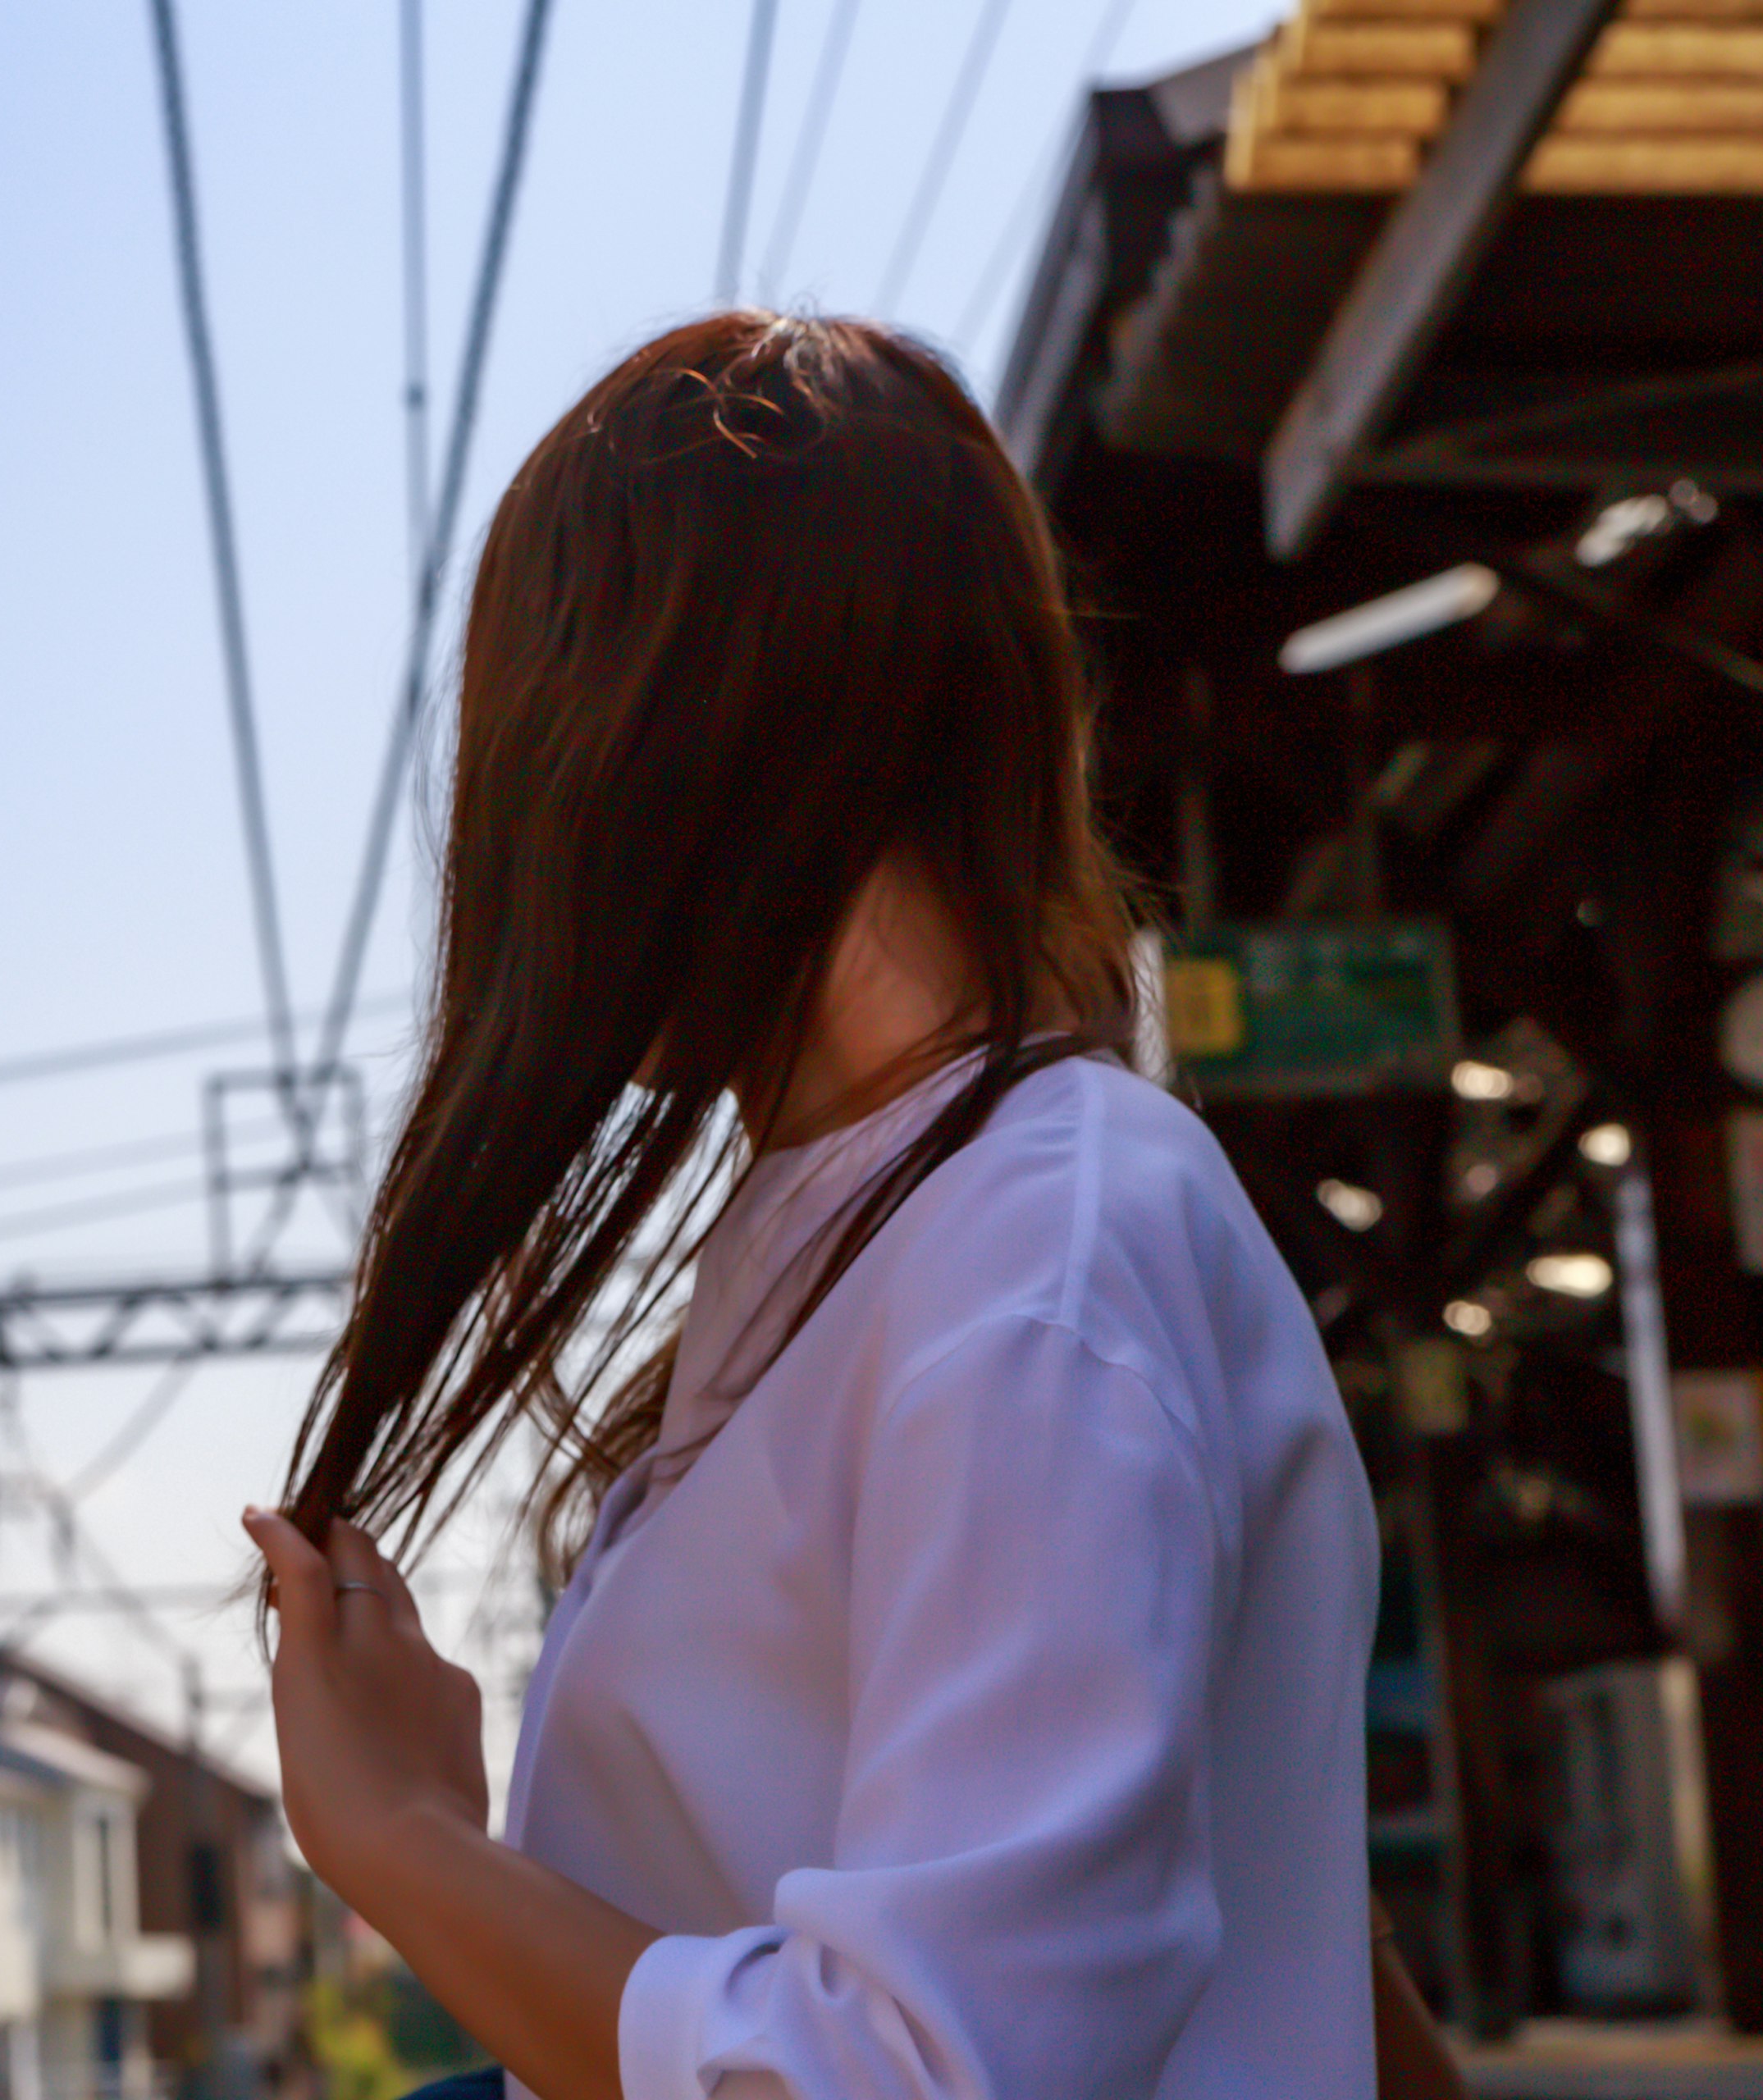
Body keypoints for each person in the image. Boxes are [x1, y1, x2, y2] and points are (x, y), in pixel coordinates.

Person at [242, 313, 1382, 2100]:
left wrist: (401, 1842)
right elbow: (1261, 1908)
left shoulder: (1027, 1252)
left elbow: (918, 2071)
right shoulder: (917, 1224)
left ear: (669, 749)